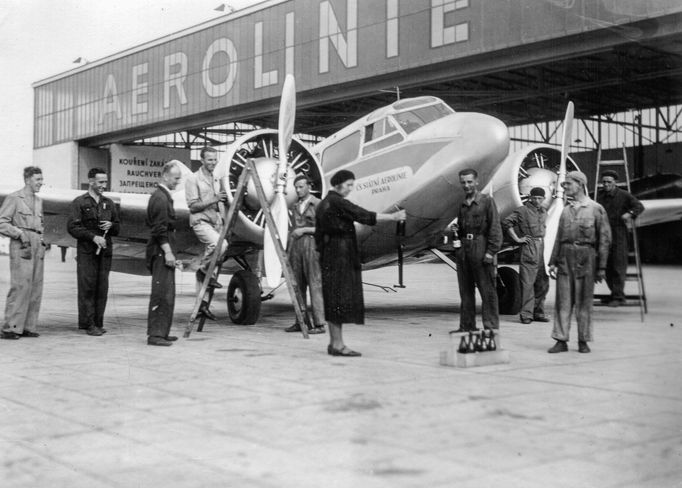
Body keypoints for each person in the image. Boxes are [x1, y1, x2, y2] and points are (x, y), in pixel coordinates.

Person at [315, 170, 405, 357]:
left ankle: (334, 343)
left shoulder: (322, 204)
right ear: (338, 184)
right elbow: (363, 215)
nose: (350, 189)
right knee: (340, 300)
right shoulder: (338, 202)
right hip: (342, 256)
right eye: (348, 185)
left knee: (333, 300)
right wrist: (393, 217)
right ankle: (338, 345)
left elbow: (318, 236)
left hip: (329, 256)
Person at [548, 171, 611, 354]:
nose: (565, 187)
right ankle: (561, 340)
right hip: (565, 258)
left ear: (580, 184)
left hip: (587, 257)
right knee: (563, 302)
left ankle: (583, 340)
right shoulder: (565, 211)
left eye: (567, 184)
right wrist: (552, 262)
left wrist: (602, 267)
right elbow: (559, 237)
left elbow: (605, 239)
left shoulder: (595, 208)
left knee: (584, 302)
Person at [67, 168, 120, 336]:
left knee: (102, 287)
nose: (104, 185)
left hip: (104, 253)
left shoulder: (109, 203)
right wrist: (93, 237)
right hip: (87, 252)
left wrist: (111, 226)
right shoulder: (79, 202)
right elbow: (73, 227)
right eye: (101, 182)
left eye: (105, 182)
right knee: (87, 287)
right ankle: (87, 323)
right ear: (91, 182)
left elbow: (118, 228)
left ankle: (98, 322)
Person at [452, 168, 503, 332]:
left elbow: (495, 228)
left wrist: (490, 252)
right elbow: (460, 229)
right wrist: (455, 230)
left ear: (477, 182)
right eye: (463, 182)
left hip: (481, 249)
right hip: (464, 252)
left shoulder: (487, 201)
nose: (466, 185)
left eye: (469, 182)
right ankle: (467, 326)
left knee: (487, 292)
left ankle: (490, 328)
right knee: (465, 292)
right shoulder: (462, 204)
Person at [0, 167, 45, 340]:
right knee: (20, 285)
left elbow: (40, 223)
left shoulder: (39, 201)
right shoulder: (14, 198)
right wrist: (18, 233)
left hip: (37, 244)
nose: (41, 183)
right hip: (21, 243)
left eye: (41, 179)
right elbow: (1, 222)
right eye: (38, 179)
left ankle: (28, 326)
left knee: (36, 286)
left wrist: (42, 241)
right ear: (27, 180)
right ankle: (11, 327)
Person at [185, 147, 228, 320]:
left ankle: (202, 305)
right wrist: (215, 199)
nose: (213, 162)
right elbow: (193, 206)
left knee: (215, 266)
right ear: (202, 160)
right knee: (220, 246)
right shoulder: (192, 179)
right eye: (209, 159)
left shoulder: (217, 178)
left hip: (216, 223)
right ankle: (202, 269)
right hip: (201, 222)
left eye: (214, 159)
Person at [146, 161, 183, 346]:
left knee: (168, 293)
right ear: (166, 176)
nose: (178, 182)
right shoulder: (160, 198)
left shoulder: (163, 196)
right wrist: (168, 252)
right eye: (176, 178)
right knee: (161, 293)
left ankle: (162, 331)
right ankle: (155, 335)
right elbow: (159, 230)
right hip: (161, 252)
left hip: (163, 251)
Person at [284, 175, 326, 335]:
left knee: (315, 283)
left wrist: (304, 230)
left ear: (309, 186)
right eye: (296, 187)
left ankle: (320, 324)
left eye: (301, 186)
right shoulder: (296, 206)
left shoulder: (318, 204)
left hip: (311, 244)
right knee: (298, 285)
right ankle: (301, 321)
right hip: (297, 246)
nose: (298, 190)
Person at [596, 169, 644, 307]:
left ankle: (618, 296)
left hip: (619, 234)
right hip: (603, 235)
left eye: (609, 182)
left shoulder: (624, 195)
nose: (606, 185)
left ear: (615, 182)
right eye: (604, 182)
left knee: (618, 266)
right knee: (606, 266)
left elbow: (639, 206)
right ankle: (614, 294)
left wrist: (629, 214)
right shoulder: (600, 197)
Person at [503, 187, 550, 324]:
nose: (537, 200)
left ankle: (538, 312)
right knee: (528, 282)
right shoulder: (522, 210)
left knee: (542, 282)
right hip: (529, 246)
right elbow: (506, 222)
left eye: (540, 198)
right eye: (534, 198)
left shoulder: (544, 211)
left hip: (542, 247)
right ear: (530, 197)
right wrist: (517, 239)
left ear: (543, 199)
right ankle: (526, 315)